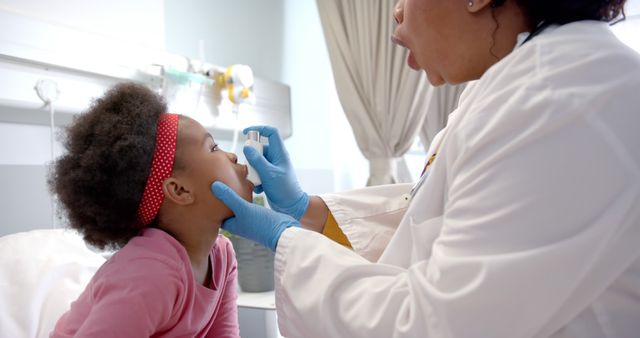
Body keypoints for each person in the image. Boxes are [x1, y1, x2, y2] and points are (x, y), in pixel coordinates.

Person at [211, 0, 640, 337]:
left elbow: (443, 322)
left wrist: (284, 238)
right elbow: (436, 216)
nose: (396, 12)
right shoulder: (512, 86)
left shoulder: (554, 93)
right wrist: (308, 211)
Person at [49, 82, 248, 337]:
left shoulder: (221, 255)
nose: (231, 156)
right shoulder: (150, 274)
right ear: (180, 191)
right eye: (213, 148)